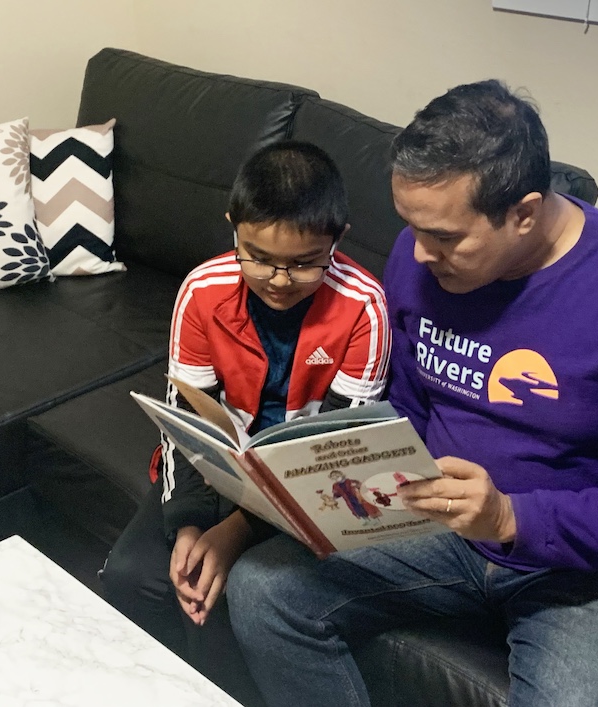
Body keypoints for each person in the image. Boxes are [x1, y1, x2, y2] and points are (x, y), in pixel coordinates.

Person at [224, 80, 598, 707]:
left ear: (524, 213)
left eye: (446, 237)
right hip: (436, 524)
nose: (418, 252)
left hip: (584, 567)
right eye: (410, 226)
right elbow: (408, 405)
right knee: (264, 589)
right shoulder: (421, 254)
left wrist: (513, 518)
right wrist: (329, 475)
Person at [100, 140, 390, 663]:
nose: (279, 281)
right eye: (257, 258)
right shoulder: (203, 291)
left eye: (304, 264)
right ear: (233, 225)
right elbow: (182, 423)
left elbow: (339, 461)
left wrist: (234, 535)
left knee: (227, 604)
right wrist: (188, 523)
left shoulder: (364, 307)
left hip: (304, 488)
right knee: (130, 576)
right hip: (216, 466)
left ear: (337, 240)